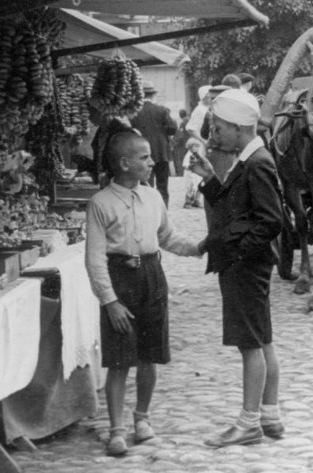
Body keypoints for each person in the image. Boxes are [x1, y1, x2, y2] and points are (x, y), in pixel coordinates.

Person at [85, 132, 204, 456]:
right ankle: (116, 430)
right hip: (119, 279)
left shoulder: (153, 197)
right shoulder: (100, 204)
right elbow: (95, 259)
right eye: (145, 157)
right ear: (124, 163)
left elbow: (167, 236)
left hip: (152, 277)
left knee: (150, 355)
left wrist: (197, 247)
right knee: (120, 359)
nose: (152, 162)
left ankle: (142, 419)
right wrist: (109, 301)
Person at [189, 88, 284, 448]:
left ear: (239, 128)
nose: (215, 132)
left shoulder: (257, 161)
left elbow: (270, 221)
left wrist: (239, 253)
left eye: (220, 127)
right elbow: (234, 206)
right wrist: (210, 178)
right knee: (263, 338)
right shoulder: (250, 157)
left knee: (250, 344)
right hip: (251, 264)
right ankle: (270, 415)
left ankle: (248, 423)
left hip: (246, 265)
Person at [131, 81, 178, 206]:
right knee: (162, 186)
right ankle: (163, 214)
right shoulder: (162, 110)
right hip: (161, 152)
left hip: (141, 153)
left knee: (145, 185)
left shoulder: (135, 112)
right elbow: (172, 128)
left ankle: (147, 211)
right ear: (153, 96)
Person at [88, 102, 136, 187]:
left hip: (120, 184)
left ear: (103, 112)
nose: (89, 117)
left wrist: (109, 174)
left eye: (92, 112)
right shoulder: (101, 131)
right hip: (106, 184)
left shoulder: (123, 130)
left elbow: (130, 160)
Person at [182, 137, 204, 208]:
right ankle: (187, 202)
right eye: (195, 146)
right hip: (190, 174)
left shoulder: (198, 155)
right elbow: (185, 165)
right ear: (190, 147)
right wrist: (191, 167)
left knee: (199, 187)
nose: (197, 148)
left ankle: (196, 200)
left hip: (197, 175)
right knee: (190, 187)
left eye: (198, 146)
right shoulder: (189, 155)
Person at [171, 109, 189, 177]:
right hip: (188, 143)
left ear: (180, 115)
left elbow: (180, 135)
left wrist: (174, 141)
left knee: (181, 160)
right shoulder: (189, 120)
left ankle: (181, 174)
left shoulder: (183, 123)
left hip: (183, 145)